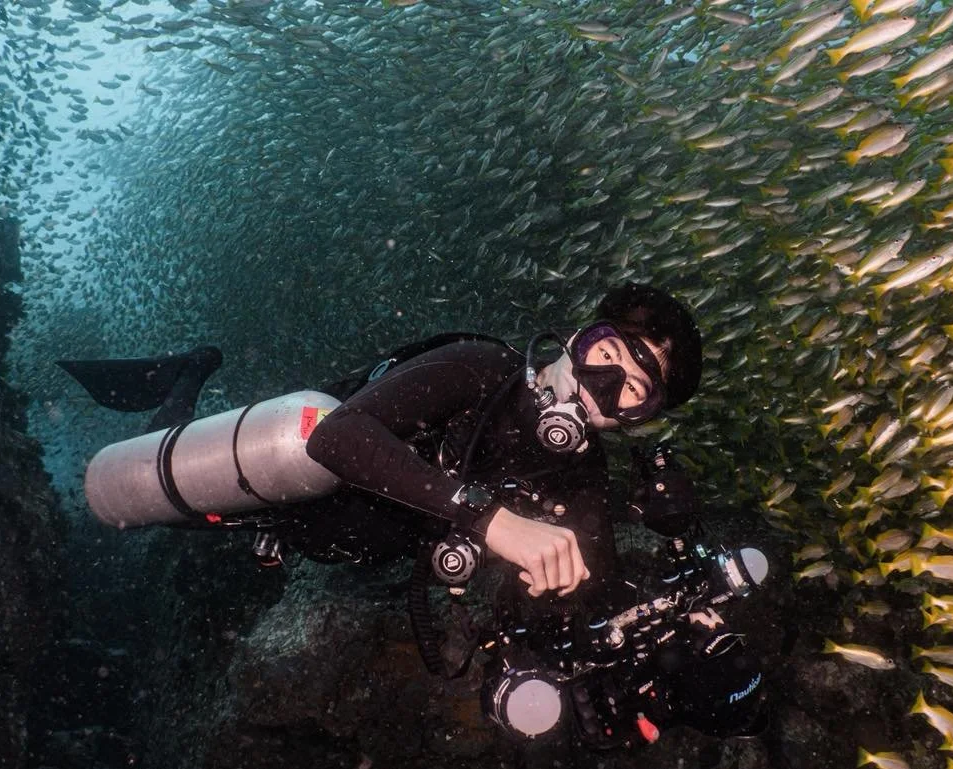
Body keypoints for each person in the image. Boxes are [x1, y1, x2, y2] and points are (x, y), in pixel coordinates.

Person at [59, 282, 767, 751]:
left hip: (343, 547)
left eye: (633, 394)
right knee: (172, 508)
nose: (601, 388)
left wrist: (678, 610)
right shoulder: (483, 368)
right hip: (288, 498)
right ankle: (187, 376)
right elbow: (334, 439)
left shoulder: (581, 475)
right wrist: (491, 520)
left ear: (639, 421)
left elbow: (590, 594)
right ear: (581, 336)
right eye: (605, 356)